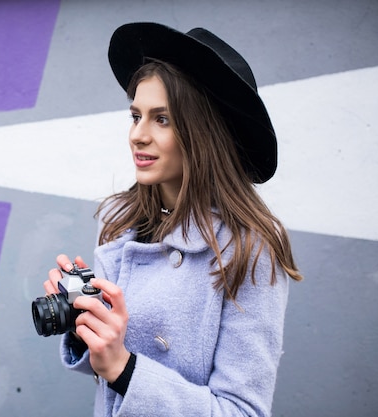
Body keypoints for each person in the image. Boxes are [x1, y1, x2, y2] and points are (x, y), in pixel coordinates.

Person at [43, 22, 303, 417]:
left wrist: (124, 369)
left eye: (161, 119)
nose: (138, 135)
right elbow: (110, 378)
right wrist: (85, 323)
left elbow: (242, 412)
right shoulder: (118, 219)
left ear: (203, 132)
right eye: (135, 116)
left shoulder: (251, 246)